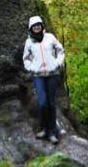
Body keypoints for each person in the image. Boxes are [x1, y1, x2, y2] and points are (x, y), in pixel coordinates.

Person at [22, 15, 65, 144]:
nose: (36, 27)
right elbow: (26, 58)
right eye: (34, 26)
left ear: (42, 26)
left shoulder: (50, 37)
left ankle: (51, 132)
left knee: (51, 103)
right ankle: (44, 128)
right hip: (38, 76)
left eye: (38, 25)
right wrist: (32, 68)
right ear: (31, 28)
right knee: (42, 103)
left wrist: (58, 63)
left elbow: (60, 51)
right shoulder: (29, 42)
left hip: (53, 75)